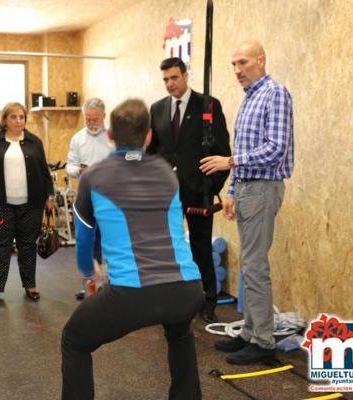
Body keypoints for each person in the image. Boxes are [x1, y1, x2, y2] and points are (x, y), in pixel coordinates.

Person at [62, 99, 204, 400]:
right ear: (149, 135)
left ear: (110, 135)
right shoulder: (167, 172)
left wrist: (90, 274)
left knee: (74, 339)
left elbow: (84, 237)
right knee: (179, 330)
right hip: (188, 290)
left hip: (135, 294)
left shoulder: (93, 177)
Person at [200, 40, 294, 365]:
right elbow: (245, 154)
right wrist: (230, 192)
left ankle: (264, 342)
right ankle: (251, 332)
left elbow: (276, 148)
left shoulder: (275, 94)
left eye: (243, 62)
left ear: (260, 60)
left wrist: (230, 163)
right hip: (247, 189)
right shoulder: (249, 100)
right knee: (251, 266)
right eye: (234, 64)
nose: (237, 70)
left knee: (255, 266)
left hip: (263, 189)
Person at [148, 57, 231, 323]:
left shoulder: (208, 105)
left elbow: (222, 153)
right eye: (165, 80)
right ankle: (171, 298)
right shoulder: (157, 109)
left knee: (200, 248)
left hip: (198, 193)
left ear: (186, 75)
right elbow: (154, 151)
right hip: (166, 195)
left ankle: (207, 302)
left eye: (174, 77)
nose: (170, 84)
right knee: (167, 248)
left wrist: (211, 186)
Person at [0, 102, 55, 305]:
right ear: (5, 120)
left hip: (31, 204)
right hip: (1, 204)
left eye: (22, 117)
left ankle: (30, 285)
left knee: (27, 245)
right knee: (1, 246)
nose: (19, 121)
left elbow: (44, 173)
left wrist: (50, 196)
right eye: (14, 117)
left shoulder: (35, 142)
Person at [66, 98, 114, 298]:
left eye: (95, 118)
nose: (91, 122)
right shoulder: (77, 139)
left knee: (109, 241)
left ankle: (112, 285)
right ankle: (90, 286)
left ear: (104, 116)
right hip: (86, 200)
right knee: (87, 241)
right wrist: (78, 169)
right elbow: (69, 166)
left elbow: (126, 159)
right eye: (88, 118)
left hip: (110, 199)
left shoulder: (113, 137)